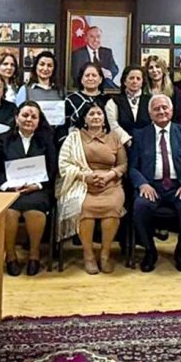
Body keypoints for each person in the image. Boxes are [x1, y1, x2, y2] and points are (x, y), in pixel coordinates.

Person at [129, 94, 181, 272]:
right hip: (151, 186)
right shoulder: (140, 135)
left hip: (179, 186)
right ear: (150, 113)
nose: (161, 111)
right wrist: (142, 184)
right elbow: (132, 167)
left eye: (164, 108)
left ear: (171, 110)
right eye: (156, 109)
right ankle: (150, 251)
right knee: (140, 205)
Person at [57, 102, 128, 274]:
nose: (96, 117)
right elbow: (64, 165)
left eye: (99, 113)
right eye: (91, 114)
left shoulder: (114, 137)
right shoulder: (74, 138)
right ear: (85, 119)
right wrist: (85, 177)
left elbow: (123, 164)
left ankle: (105, 254)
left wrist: (109, 175)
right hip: (81, 184)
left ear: (104, 119)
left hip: (110, 184)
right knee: (83, 206)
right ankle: (88, 255)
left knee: (112, 207)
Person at [0, 101, 59, 276]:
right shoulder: (4, 139)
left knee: (34, 211)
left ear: (39, 120)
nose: (29, 119)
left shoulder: (46, 140)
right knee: (9, 212)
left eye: (34, 116)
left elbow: (52, 168)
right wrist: (8, 185)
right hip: (11, 190)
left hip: (38, 189)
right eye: (25, 115)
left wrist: (38, 185)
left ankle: (34, 254)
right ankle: (10, 256)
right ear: (16, 118)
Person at [105, 65, 152, 146]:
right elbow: (113, 125)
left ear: (142, 82)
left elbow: (154, 123)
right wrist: (127, 140)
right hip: (121, 145)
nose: (134, 81)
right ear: (124, 81)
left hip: (147, 144)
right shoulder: (113, 102)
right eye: (131, 78)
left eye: (138, 78)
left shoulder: (151, 101)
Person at [144, 54, 181, 123]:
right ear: (147, 71)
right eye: (151, 68)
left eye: (157, 66)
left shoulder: (175, 92)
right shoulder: (143, 91)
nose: (154, 70)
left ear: (163, 69)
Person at [66, 61, 108, 130]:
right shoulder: (70, 100)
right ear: (81, 79)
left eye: (94, 75)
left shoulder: (108, 100)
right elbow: (63, 126)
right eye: (87, 75)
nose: (90, 78)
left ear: (100, 79)